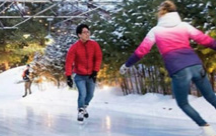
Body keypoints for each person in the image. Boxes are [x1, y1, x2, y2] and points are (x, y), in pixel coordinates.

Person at [119, 1, 216, 136]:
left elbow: (141, 51)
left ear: (160, 14)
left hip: (179, 69)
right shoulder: (184, 26)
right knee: (211, 97)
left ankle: (205, 126)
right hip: (196, 65)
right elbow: (206, 40)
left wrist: (127, 65)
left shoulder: (156, 31)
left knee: (182, 103)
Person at [65, 24, 102, 122]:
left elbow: (98, 58)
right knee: (83, 93)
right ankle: (80, 110)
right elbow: (69, 62)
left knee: (90, 95)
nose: (87, 34)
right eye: (84, 32)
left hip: (91, 75)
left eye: (88, 32)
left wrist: (95, 71)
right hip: (80, 76)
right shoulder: (74, 47)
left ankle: (84, 107)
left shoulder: (94, 45)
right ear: (79, 35)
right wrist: (68, 76)